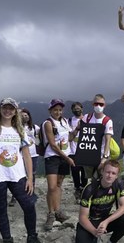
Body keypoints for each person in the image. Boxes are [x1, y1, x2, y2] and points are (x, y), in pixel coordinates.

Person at [0, 98, 40, 243]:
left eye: (11, 108)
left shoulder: (20, 131)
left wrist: (30, 178)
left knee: (29, 205)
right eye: (5, 108)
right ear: (0, 110)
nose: (7, 111)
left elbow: (27, 155)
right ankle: (7, 239)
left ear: (15, 112)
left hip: (17, 175)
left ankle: (32, 236)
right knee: (1, 209)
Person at [76, 160, 124, 243]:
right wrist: (95, 232)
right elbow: (82, 217)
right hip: (90, 221)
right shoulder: (90, 188)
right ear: (102, 172)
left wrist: (106, 221)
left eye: (113, 173)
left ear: (117, 176)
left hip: (105, 219)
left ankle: (111, 241)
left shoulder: (119, 184)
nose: (110, 176)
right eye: (107, 172)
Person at [42, 98, 75, 231]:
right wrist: (67, 158)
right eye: (55, 109)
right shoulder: (48, 123)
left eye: (60, 109)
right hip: (53, 157)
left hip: (64, 156)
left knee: (59, 184)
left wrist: (77, 129)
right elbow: (53, 145)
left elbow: (69, 138)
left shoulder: (65, 121)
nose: (58, 112)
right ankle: (51, 214)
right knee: (51, 187)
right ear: (50, 110)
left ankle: (58, 211)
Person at [9, 108, 41, 207]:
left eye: (27, 115)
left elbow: (41, 137)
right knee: (19, 175)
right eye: (22, 115)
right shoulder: (15, 128)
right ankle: (15, 196)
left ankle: (31, 192)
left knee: (32, 175)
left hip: (33, 154)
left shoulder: (35, 127)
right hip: (20, 155)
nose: (25, 117)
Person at [80, 94, 114, 178]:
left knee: (102, 179)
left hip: (102, 155)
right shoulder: (86, 118)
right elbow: (82, 136)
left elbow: (107, 141)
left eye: (101, 104)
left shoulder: (107, 121)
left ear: (104, 105)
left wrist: (104, 158)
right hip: (89, 155)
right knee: (90, 179)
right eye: (96, 104)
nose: (98, 106)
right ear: (93, 104)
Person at [69, 102, 88, 204]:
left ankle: (84, 189)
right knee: (75, 171)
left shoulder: (87, 119)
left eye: (78, 108)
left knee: (85, 172)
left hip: (85, 150)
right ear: (72, 110)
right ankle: (77, 189)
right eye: (75, 108)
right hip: (73, 151)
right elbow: (69, 137)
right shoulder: (69, 121)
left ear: (82, 108)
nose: (77, 110)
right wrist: (77, 129)